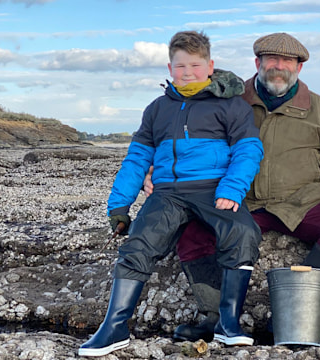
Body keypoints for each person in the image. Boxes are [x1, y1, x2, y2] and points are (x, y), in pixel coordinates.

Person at [143, 32, 320, 342]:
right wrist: (155, 171)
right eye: (271, 59)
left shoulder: (319, 108)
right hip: (240, 199)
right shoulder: (228, 100)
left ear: (299, 68)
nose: (279, 67)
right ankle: (212, 315)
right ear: (257, 63)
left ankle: (297, 307)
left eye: (287, 61)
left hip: (301, 200)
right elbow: (183, 138)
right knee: (192, 232)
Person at [78, 30, 264, 357]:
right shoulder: (157, 109)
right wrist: (119, 205)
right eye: (180, 66)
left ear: (210, 65)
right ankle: (114, 327)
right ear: (169, 67)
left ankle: (228, 324)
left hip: (214, 188)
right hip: (168, 193)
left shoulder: (231, 105)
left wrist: (232, 189)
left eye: (195, 65)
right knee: (139, 243)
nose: (188, 72)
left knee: (243, 231)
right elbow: (137, 158)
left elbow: (248, 150)